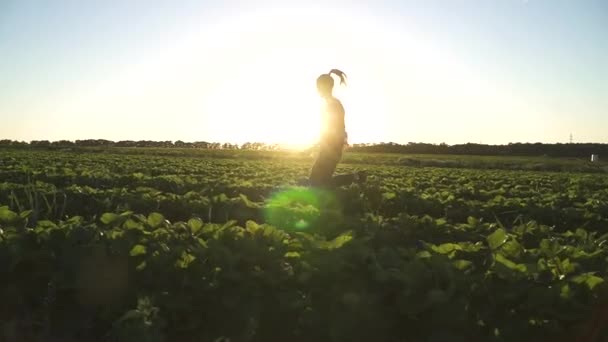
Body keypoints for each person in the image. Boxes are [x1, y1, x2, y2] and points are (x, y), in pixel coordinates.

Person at [308, 69, 366, 188]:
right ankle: (356, 177)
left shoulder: (333, 103)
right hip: (330, 147)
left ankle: (356, 177)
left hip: (332, 148)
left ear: (325, 86)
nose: (317, 90)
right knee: (316, 182)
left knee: (318, 183)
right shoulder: (330, 103)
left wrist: (332, 144)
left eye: (318, 86)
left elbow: (336, 127)